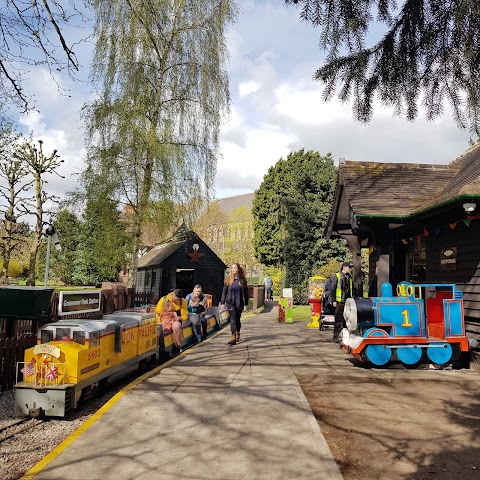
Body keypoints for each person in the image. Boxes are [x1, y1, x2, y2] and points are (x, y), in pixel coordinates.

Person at [221, 263, 249, 345]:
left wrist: (245, 304)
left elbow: (246, 293)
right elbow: (224, 292)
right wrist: (222, 302)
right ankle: (233, 336)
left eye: (234, 268)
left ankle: (238, 332)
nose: (233, 269)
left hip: (239, 302)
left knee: (237, 319)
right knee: (232, 319)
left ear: (238, 269)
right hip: (230, 302)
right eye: (232, 268)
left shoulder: (242, 281)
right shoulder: (228, 280)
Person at [155, 288, 188, 353]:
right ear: (172, 294)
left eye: (177, 301)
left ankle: (178, 346)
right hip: (163, 320)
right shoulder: (163, 299)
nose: (175, 301)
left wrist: (180, 318)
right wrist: (160, 322)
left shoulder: (182, 301)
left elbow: (185, 316)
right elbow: (157, 313)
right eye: (174, 299)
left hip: (174, 320)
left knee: (176, 325)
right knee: (160, 327)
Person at [329, 262, 355, 344]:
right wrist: (333, 300)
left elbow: (351, 289)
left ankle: (345, 337)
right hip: (339, 301)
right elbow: (333, 289)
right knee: (338, 319)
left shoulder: (349, 277)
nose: (350, 269)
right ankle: (335, 337)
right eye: (349, 267)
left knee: (346, 319)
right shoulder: (337, 276)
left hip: (347, 302)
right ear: (344, 267)